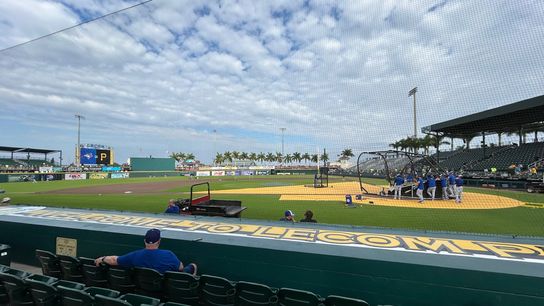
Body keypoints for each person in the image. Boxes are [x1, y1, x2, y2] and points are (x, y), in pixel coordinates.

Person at [95, 228, 197, 275]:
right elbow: (181, 268)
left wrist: (102, 258)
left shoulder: (135, 255)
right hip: (165, 290)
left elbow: (113, 260)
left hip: (143, 288)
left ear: (144, 241)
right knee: (193, 266)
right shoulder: (169, 255)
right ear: (159, 241)